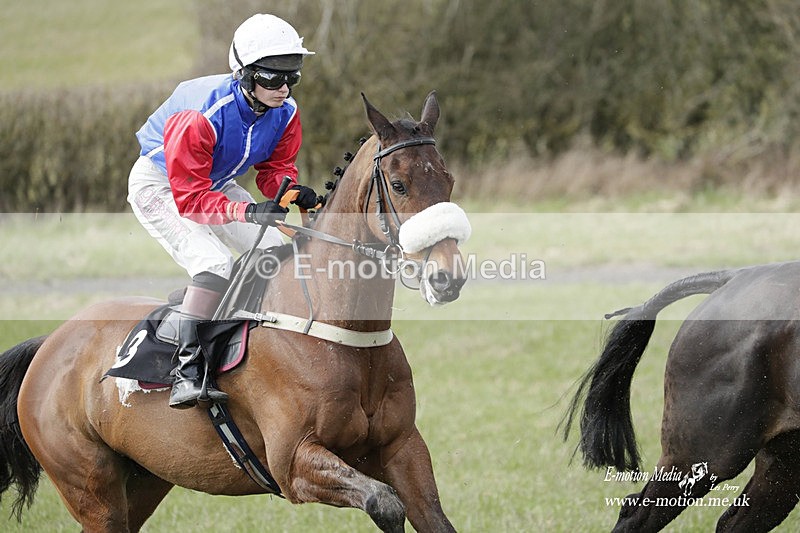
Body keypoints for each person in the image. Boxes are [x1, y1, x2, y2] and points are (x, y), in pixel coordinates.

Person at [128, 13, 319, 409]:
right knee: (214, 262)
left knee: (275, 247)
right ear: (245, 75)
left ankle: (243, 331)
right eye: (272, 78)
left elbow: (274, 171)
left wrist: (291, 192)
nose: (283, 88)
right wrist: (247, 212)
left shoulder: (286, 111)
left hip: (212, 183)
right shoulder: (199, 117)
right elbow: (191, 200)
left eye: (292, 77)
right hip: (162, 185)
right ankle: (187, 369)